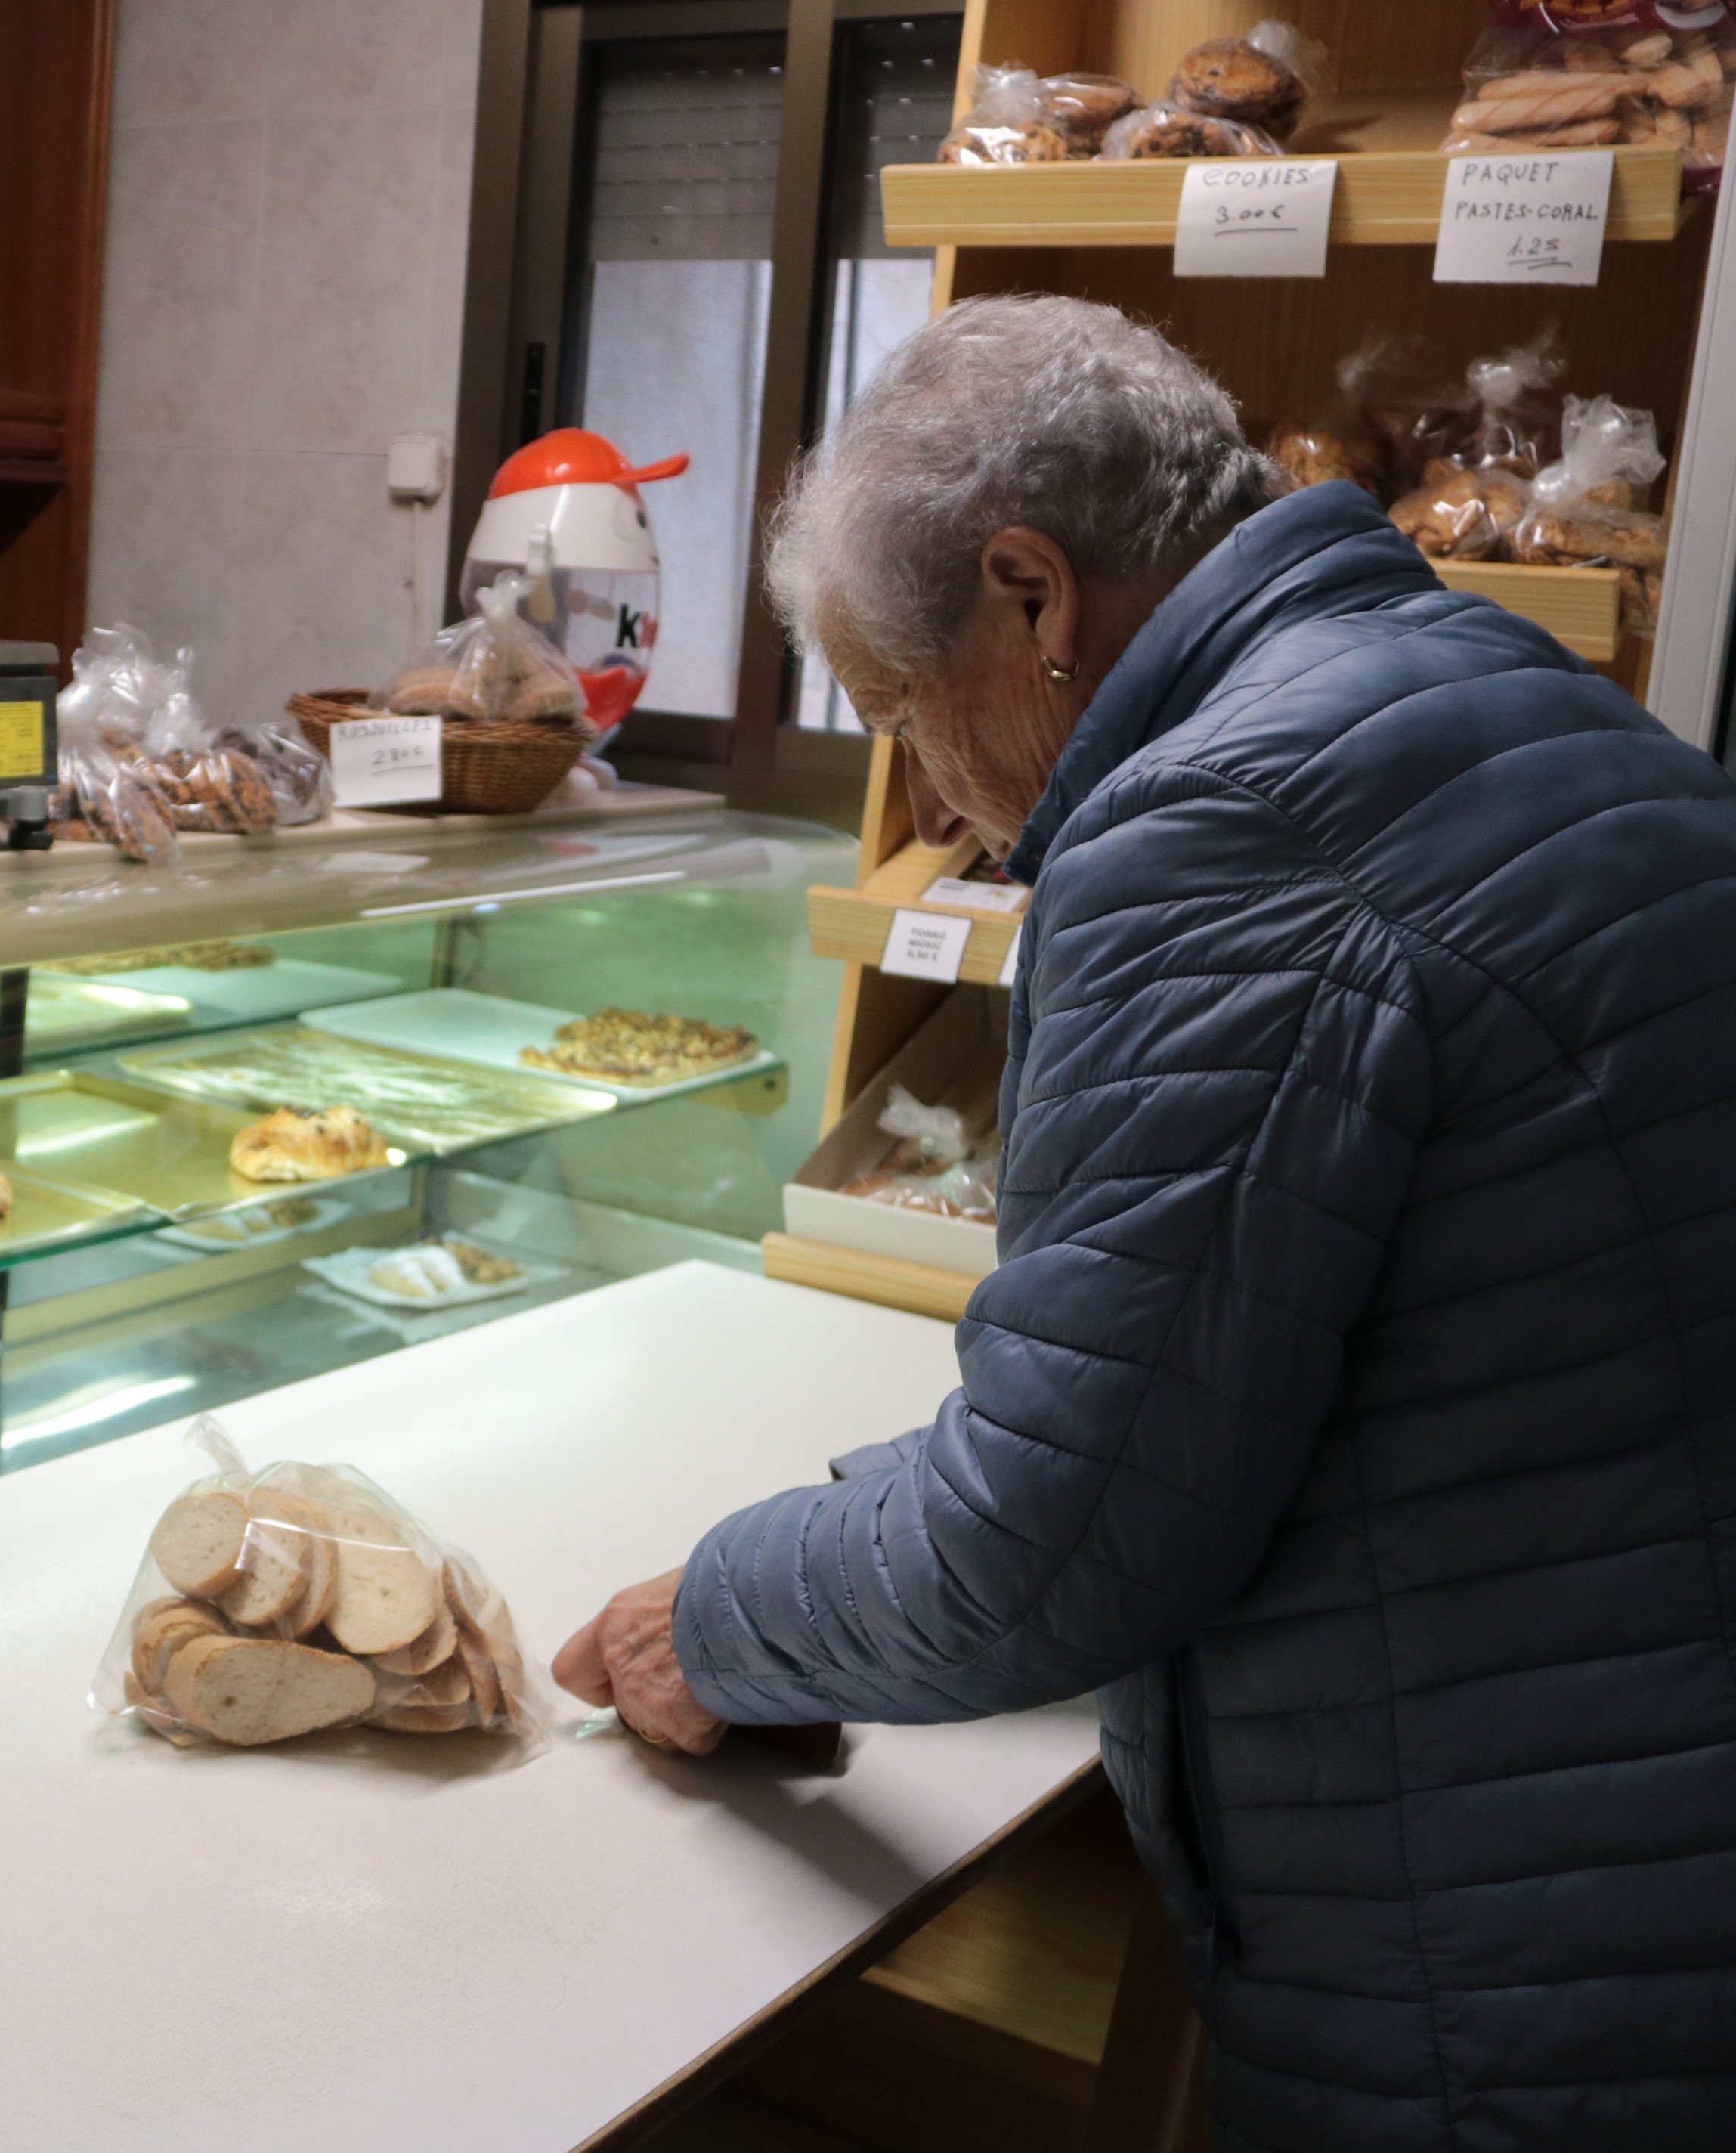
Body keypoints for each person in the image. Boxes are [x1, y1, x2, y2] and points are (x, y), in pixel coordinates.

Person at [556, 295, 1736, 2150]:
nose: (933, 799)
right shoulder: (1505, 691)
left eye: (899, 710)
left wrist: (710, 1616)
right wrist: (888, 1498)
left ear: (1032, 596)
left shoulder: (1216, 829)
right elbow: (1231, 1359)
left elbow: (1054, 1546)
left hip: (1520, 1946)